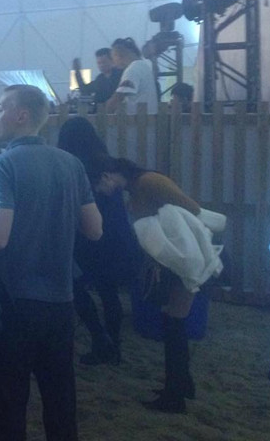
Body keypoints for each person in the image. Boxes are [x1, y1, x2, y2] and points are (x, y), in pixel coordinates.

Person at [0, 85, 102, 441]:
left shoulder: (3, 164)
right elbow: (94, 229)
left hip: (15, 301)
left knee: (10, 401)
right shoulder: (71, 163)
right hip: (61, 301)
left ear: (21, 115)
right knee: (60, 398)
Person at [88, 156, 203, 414]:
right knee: (172, 322)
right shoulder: (139, 185)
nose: (100, 192)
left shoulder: (147, 182)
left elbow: (192, 209)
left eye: (99, 186)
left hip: (182, 258)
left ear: (107, 176)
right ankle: (181, 384)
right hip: (177, 257)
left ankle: (175, 396)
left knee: (173, 324)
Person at [57, 117, 138, 365]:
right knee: (109, 293)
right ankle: (114, 345)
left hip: (87, 238)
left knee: (75, 287)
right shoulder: (108, 162)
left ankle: (99, 337)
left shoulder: (72, 166)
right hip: (117, 237)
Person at [105, 37, 159, 114]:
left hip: (137, 119)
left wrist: (105, 111)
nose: (114, 63)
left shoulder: (132, 70)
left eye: (113, 57)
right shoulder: (144, 66)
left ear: (118, 54)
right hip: (148, 117)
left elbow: (118, 97)